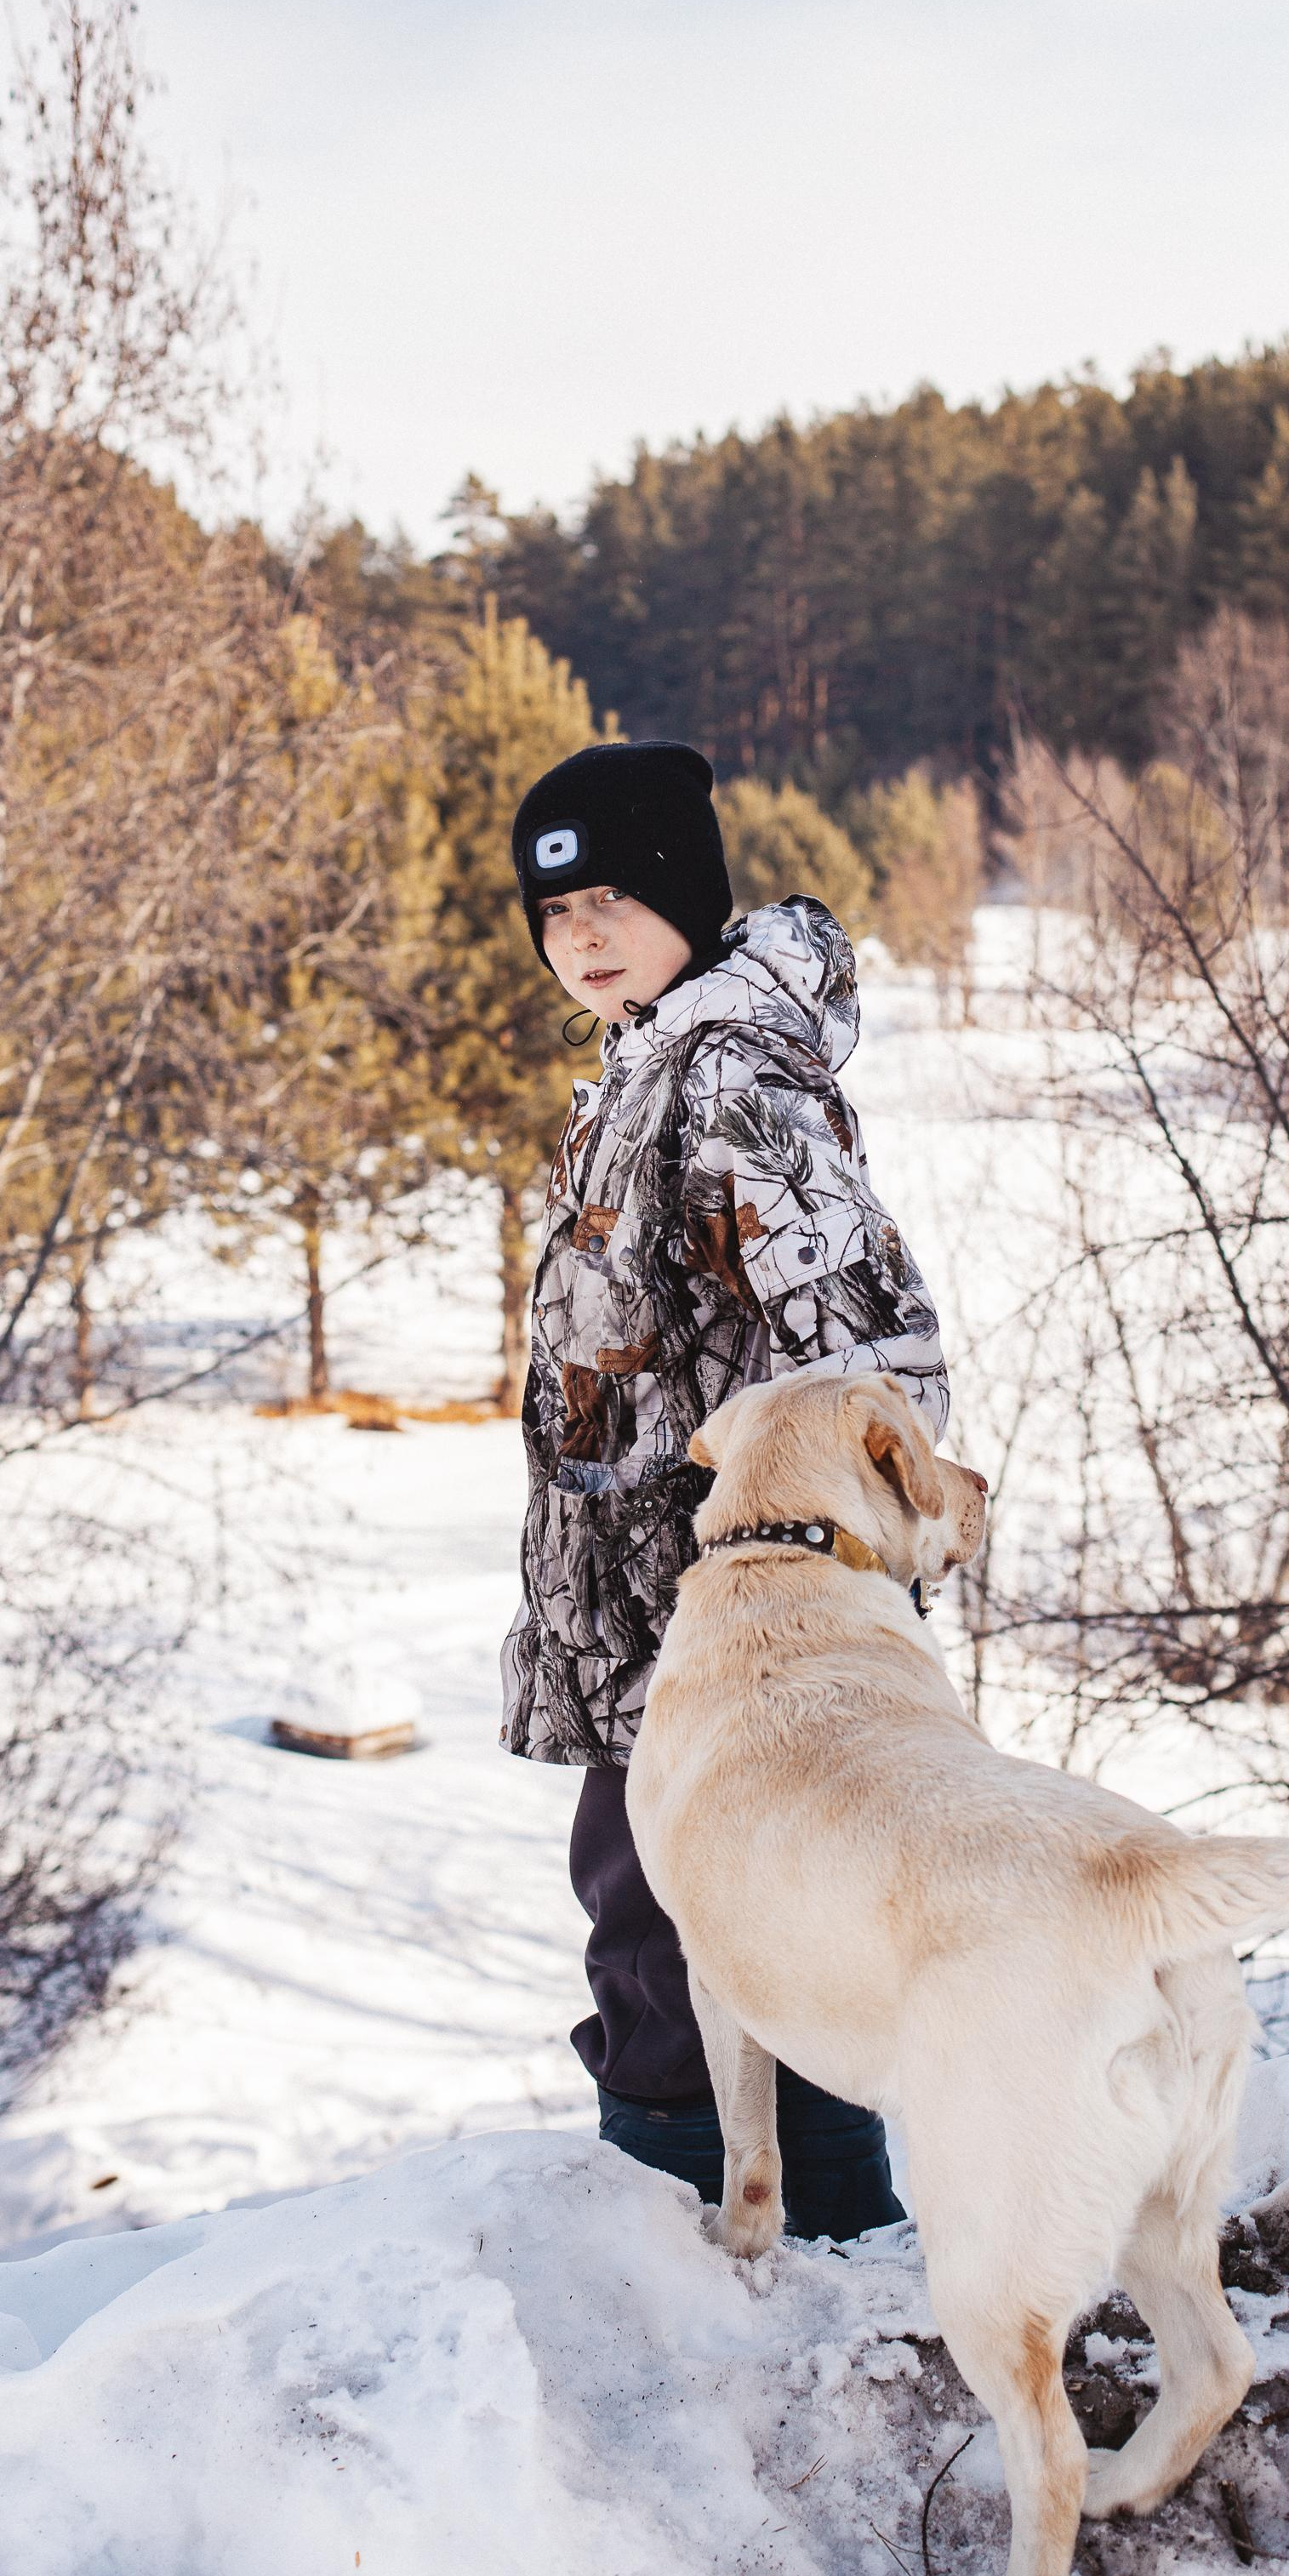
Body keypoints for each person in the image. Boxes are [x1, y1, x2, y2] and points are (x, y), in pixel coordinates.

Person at [501, 736, 951, 2240]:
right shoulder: (647, 1069)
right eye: (556, 917)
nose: (582, 938)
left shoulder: (730, 1072)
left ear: (687, 896)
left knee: (699, 1915)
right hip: (650, 1617)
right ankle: (728, 2228)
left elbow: (866, 1343)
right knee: (655, 1909)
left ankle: (756, 2233)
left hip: (730, 1626)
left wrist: (824, 1568)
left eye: (614, 901)